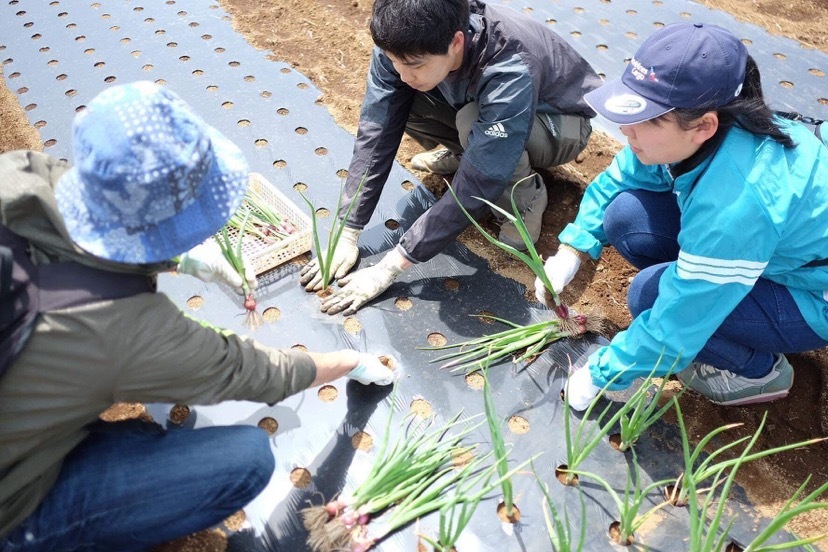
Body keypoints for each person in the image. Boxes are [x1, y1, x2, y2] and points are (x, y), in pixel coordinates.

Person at [0, 81, 394, 550]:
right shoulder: (121, 328)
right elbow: (261, 373)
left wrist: (184, 261)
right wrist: (351, 363)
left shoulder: (22, 173)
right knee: (245, 460)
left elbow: (86, 243)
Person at [534, 23, 828, 410]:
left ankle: (757, 372)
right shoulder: (712, 128)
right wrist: (573, 247)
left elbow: (679, 320)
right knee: (625, 216)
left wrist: (601, 372)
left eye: (649, 120)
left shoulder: (735, 203)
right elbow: (621, 177)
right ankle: (716, 280)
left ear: (704, 125)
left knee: (651, 296)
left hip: (812, 294)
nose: (626, 130)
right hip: (767, 247)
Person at [300, 0, 601, 315]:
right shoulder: (404, 40)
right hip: (486, 104)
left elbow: (480, 180)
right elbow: (378, 128)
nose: (403, 73)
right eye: (395, 61)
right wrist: (348, 230)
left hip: (559, 122)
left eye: (414, 64)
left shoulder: (509, 63)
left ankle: (525, 198)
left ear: (456, 42)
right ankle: (465, 150)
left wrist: (389, 267)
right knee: (400, 100)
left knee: (473, 124)